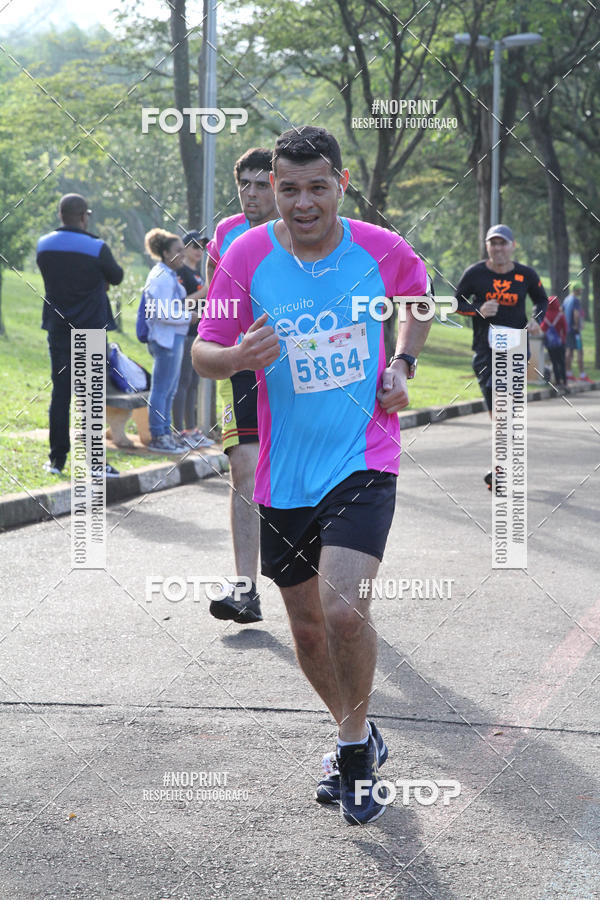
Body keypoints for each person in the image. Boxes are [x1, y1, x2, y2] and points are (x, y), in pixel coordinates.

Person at [193, 126, 431, 825]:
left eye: (315, 187)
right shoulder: (244, 253)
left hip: (364, 455)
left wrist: (403, 364)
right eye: (286, 189)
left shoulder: (379, 249)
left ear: (341, 183)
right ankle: (354, 730)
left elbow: (415, 300)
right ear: (271, 188)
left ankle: (354, 751)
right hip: (283, 470)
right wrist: (237, 355)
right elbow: (205, 353)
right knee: (304, 629)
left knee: (341, 610)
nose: (301, 202)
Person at [204, 147, 278, 626]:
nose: (251, 194)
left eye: (260, 184)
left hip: (293, 366)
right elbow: (214, 290)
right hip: (239, 367)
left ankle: (320, 580)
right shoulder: (227, 233)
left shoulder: (301, 228)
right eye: (243, 185)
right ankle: (245, 589)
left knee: (299, 473)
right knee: (245, 470)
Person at [454, 224, 548, 488]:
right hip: (485, 351)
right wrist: (477, 309)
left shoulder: (525, 274)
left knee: (503, 410)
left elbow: (542, 300)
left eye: (502, 243)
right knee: (498, 410)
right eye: (493, 243)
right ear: (487, 246)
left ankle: (501, 467)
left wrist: (535, 320)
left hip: (516, 348)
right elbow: (455, 303)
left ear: (512, 246)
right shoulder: (475, 273)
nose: (498, 248)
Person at [36, 193, 123, 477]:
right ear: (84, 216)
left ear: (61, 215)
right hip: (91, 329)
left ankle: (56, 460)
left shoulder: (44, 246)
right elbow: (117, 276)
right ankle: (95, 463)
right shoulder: (97, 247)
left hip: (59, 330)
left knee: (61, 394)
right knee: (90, 398)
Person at [143, 228, 191, 454]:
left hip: (173, 338)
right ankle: (158, 435)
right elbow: (162, 312)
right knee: (162, 389)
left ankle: (165, 432)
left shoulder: (169, 275)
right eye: (178, 251)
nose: (183, 254)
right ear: (164, 252)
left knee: (169, 389)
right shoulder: (161, 277)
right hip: (165, 340)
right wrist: (190, 317)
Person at [172, 231, 215, 449]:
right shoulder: (180, 272)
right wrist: (205, 291)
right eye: (195, 247)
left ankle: (192, 429)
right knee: (182, 383)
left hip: (197, 334)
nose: (199, 251)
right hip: (183, 335)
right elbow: (178, 304)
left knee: (193, 383)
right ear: (185, 248)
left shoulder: (197, 274)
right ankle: (179, 431)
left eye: (202, 248)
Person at [563, 281, 591, 383]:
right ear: (577, 290)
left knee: (569, 351)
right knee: (580, 351)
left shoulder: (566, 299)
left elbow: (562, 311)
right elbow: (576, 314)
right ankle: (582, 375)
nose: (582, 291)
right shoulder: (575, 300)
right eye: (580, 289)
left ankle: (568, 373)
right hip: (574, 331)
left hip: (567, 330)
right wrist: (576, 325)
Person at [540, 295, 568, 392]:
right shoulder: (560, 315)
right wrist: (563, 339)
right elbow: (565, 329)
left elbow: (543, 328)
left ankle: (558, 382)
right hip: (560, 342)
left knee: (554, 362)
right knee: (562, 362)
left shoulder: (546, 315)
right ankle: (564, 382)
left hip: (551, 344)